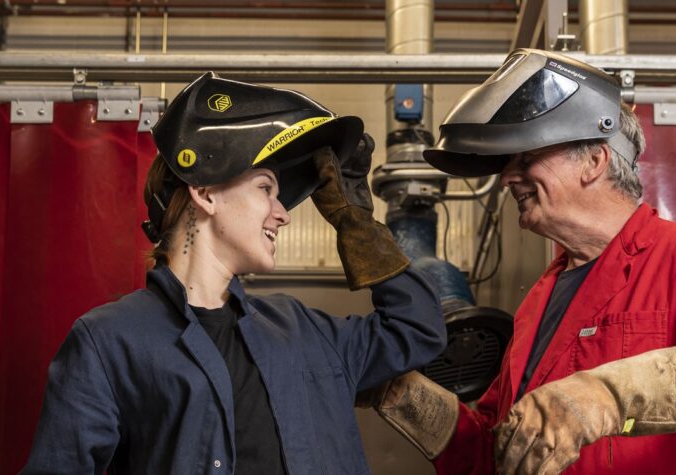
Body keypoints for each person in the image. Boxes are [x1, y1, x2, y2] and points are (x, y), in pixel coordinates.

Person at [359, 49, 676, 474]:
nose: (508, 177)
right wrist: (399, 392)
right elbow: (499, 449)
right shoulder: (539, 300)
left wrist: (612, 396)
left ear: (594, 160)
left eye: (526, 158)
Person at [22, 72, 446, 474]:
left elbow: (417, 330)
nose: (283, 215)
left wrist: (356, 221)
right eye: (266, 188)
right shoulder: (109, 343)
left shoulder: (305, 330)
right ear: (205, 192)